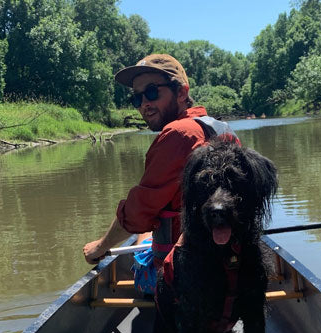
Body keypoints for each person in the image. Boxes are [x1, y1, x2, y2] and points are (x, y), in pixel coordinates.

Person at [82, 54, 239, 268]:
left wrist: (99, 247)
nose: (144, 104)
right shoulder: (217, 128)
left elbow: (138, 213)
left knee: (144, 231)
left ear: (182, 93)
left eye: (152, 92)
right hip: (231, 260)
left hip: (185, 271)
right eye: (137, 98)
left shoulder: (177, 134)